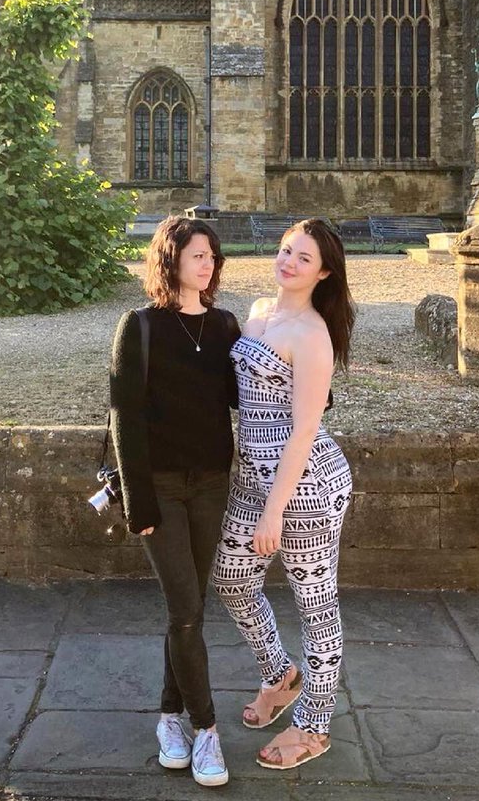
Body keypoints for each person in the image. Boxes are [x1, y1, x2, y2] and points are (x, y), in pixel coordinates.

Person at [212, 218, 355, 770]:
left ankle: (314, 727)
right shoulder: (256, 312)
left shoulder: (313, 335)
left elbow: (304, 429)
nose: (288, 262)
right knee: (231, 580)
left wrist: (275, 509)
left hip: (306, 487)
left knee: (316, 607)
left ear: (323, 273)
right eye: (285, 250)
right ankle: (280, 675)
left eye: (303, 258)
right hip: (251, 479)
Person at [109, 215, 240, 787]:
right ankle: (206, 729)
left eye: (212, 256)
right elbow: (125, 416)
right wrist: (137, 501)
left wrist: (304, 381)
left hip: (211, 483)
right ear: (171, 260)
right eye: (197, 256)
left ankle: (169, 718)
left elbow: (243, 393)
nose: (207, 265)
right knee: (186, 610)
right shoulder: (139, 326)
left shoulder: (225, 324)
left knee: (188, 610)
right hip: (159, 488)